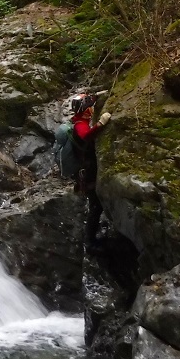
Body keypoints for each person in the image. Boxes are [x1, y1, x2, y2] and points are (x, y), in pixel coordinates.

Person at [69, 92, 111, 250]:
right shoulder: (80, 125)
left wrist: (97, 95)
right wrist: (100, 124)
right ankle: (90, 242)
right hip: (87, 171)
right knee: (95, 206)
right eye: (90, 108)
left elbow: (90, 98)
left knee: (96, 204)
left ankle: (93, 233)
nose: (92, 110)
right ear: (86, 111)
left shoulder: (80, 119)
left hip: (87, 167)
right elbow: (86, 135)